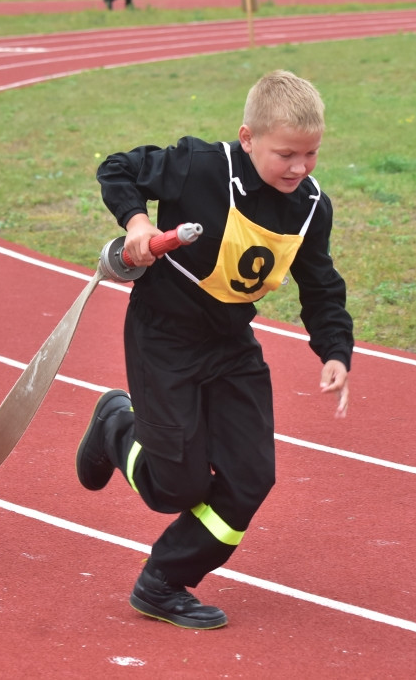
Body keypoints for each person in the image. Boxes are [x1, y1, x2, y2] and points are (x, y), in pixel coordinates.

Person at [77, 70, 354, 629]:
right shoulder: (201, 167)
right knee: (174, 488)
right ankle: (114, 426)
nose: (300, 168)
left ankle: (164, 582)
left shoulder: (308, 207)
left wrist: (335, 350)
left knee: (250, 478)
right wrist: (135, 222)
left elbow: (320, 284)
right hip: (164, 338)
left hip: (231, 346)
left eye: (311, 153)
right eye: (286, 154)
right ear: (248, 138)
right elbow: (118, 168)